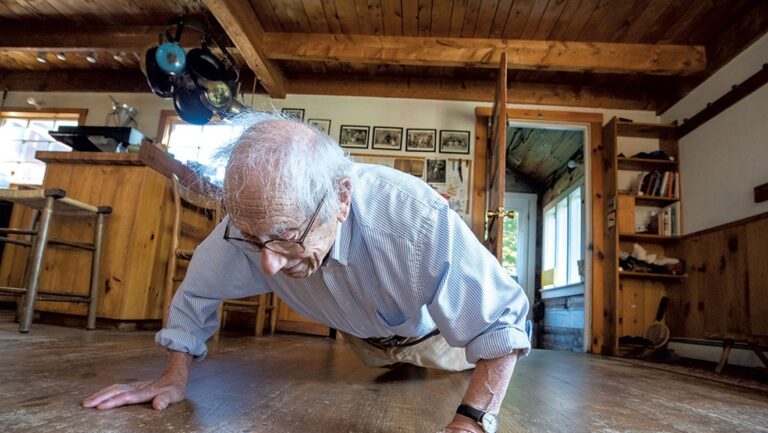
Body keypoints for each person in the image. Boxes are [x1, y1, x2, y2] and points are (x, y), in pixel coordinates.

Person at [83, 112, 531, 433]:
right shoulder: (248, 230)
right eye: (254, 239)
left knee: (437, 385)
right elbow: (196, 291)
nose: (268, 264)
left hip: (436, 342)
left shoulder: (411, 218)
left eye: (286, 236)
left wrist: (471, 421)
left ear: (342, 198)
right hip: (366, 344)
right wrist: (173, 374)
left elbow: (500, 321)